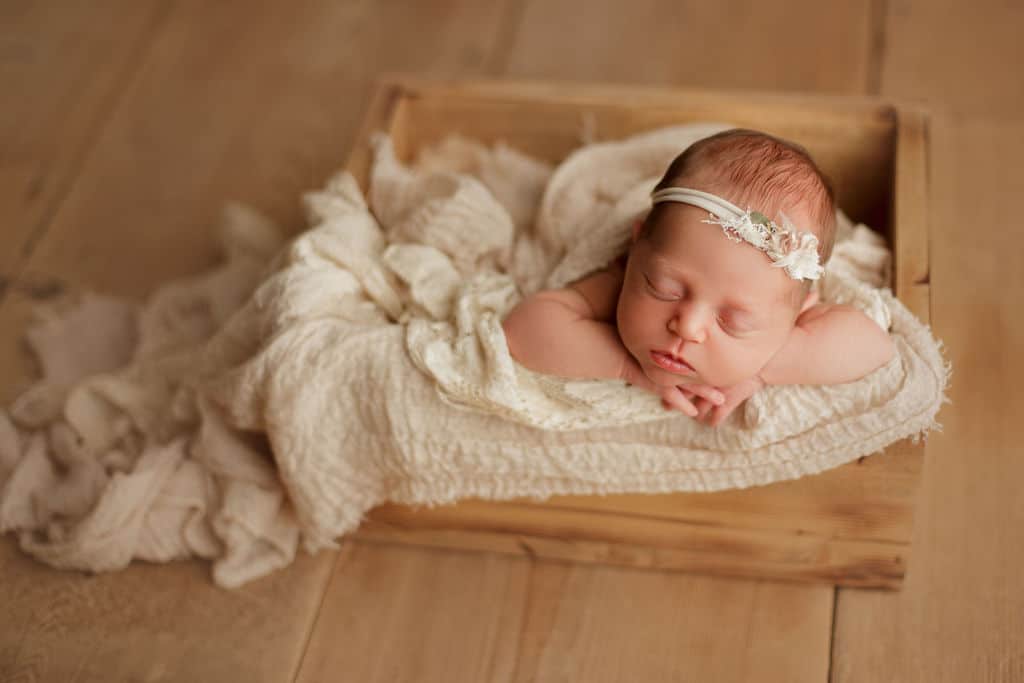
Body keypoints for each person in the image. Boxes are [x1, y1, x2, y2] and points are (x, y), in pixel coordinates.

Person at [501, 128, 896, 427]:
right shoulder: (621, 275)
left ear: (797, 318)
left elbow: (874, 346)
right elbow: (524, 328)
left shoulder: (782, 313)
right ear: (636, 248)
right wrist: (626, 367)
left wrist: (760, 370)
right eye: (663, 288)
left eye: (734, 321)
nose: (686, 326)